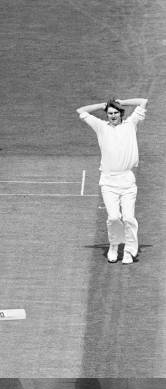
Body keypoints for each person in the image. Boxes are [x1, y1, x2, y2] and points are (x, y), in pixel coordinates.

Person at [76, 96, 148, 264]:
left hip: (127, 181)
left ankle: (129, 251)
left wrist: (122, 102)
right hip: (108, 182)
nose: (113, 115)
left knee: (129, 218)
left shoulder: (130, 124)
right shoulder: (101, 127)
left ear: (121, 113)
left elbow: (143, 101)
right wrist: (101, 105)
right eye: (110, 113)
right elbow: (81, 111)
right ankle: (114, 246)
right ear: (106, 114)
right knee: (114, 217)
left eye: (116, 112)